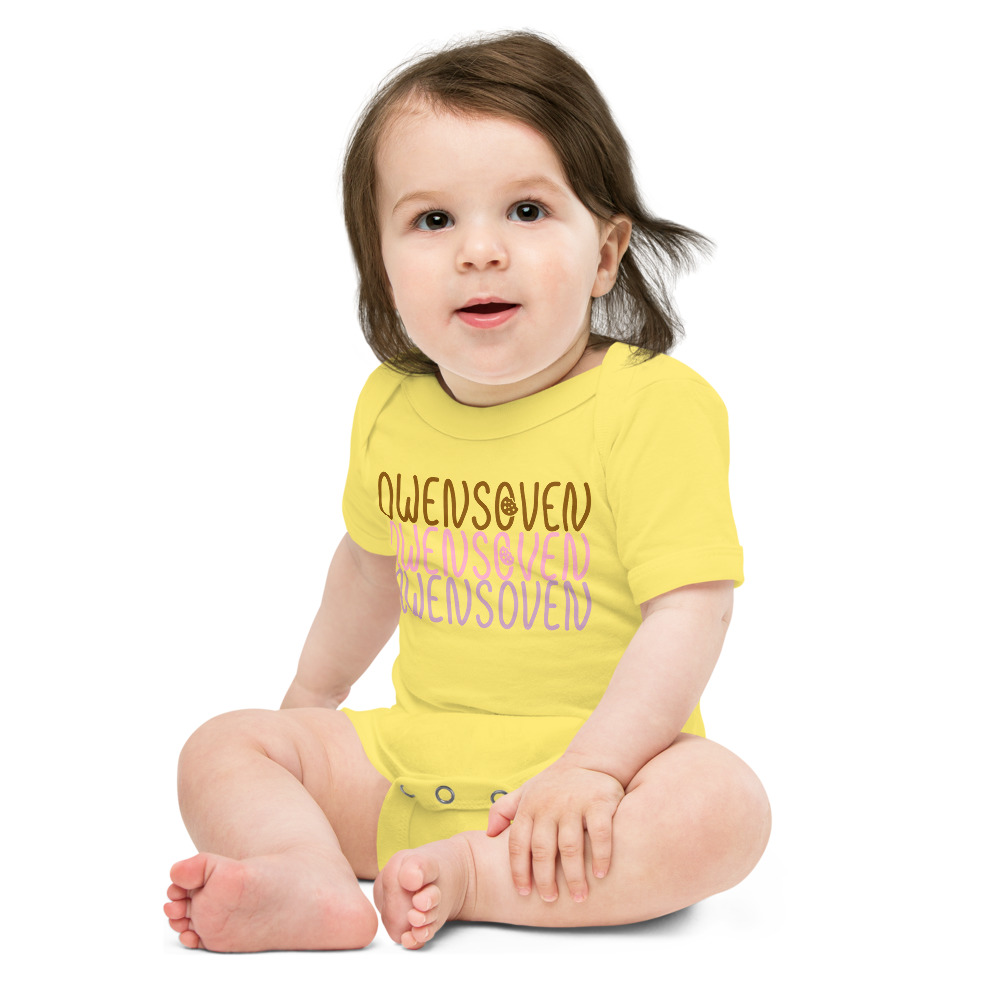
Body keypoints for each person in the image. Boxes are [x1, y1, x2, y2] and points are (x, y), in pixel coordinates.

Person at [163, 30, 771, 952]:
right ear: (381, 265)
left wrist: (595, 769)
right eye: (433, 220)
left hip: (602, 784)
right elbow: (369, 567)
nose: (480, 251)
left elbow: (691, 608)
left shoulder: (652, 407)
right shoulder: (390, 407)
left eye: (527, 211)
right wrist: (309, 704)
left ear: (606, 254)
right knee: (222, 747)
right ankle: (306, 873)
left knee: (725, 806)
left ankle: (475, 876)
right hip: (415, 765)